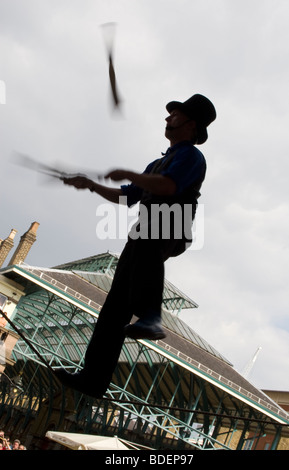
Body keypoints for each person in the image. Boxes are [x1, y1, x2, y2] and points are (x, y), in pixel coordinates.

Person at [55, 94, 216, 398]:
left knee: (146, 241)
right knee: (114, 308)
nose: (168, 119)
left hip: (170, 222)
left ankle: (151, 317)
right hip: (147, 229)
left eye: (175, 115)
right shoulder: (158, 162)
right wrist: (90, 185)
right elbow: (129, 197)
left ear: (191, 124)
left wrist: (130, 174)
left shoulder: (192, 157)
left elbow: (168, 187)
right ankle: (93, 378)